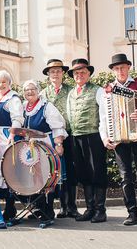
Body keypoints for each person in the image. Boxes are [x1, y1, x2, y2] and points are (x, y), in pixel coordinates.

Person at [99, 53, 137, 229]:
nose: (120, 71)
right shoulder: (107, 90)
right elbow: (104, 117)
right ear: (113, 71)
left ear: (128, 67)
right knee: (125, 177)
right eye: (117, 68)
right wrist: (105, 137)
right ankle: (132, 213)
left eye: (123, 67)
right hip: (119, 139)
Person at [65, 58, 107, 223]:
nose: (79, 75)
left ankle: (100, 210)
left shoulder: (98, 91)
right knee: (83, 172)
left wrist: (105, 136)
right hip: (76, 137)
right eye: (76, 73)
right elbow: (69, 115)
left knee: (97, 172)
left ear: (89, 73)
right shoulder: (71, 93)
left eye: (83, 72)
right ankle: (90, 209)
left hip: (93, 136)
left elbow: (104, 115)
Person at [22, 79, 68, 224]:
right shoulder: (23, 107)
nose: (30, 92)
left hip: (45, 145)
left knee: (47, 178)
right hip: (30, 148)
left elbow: (57, 126)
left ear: (38, 91)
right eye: (27, 90)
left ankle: (48, 210)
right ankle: (38, 208)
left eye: (33, 89)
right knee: (33, 177)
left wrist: (58, 143)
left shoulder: (46, 106)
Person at [41, 58, 80, 219]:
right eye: (52, 71)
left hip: (69, 134)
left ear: (63, 73)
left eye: (58, 71)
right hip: (51, 138)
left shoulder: (71, 90)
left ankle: (71, 206)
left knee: (71, 171)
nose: (55, 74)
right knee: (56, 171)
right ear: (48, 75)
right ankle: (60, 206)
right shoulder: (43, 94)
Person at [0, 70, 24, 221]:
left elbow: (17, 119)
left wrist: (11, 135)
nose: (1, 84)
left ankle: (10, 207)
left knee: (8, 171)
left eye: (4, 82)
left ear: (9, 83)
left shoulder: (13, 99)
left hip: (5, 137)